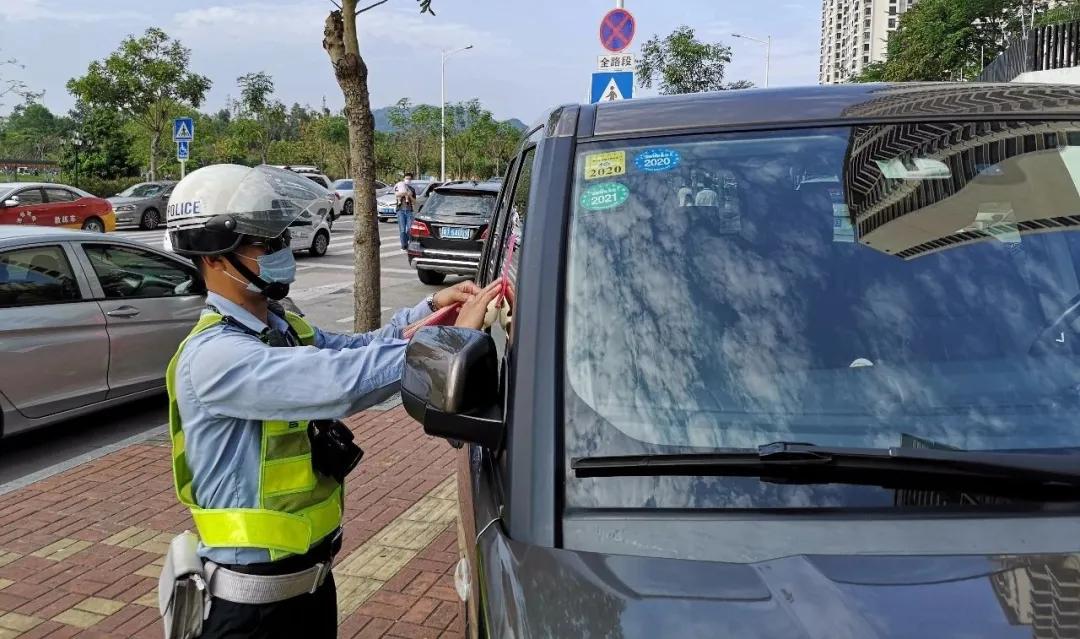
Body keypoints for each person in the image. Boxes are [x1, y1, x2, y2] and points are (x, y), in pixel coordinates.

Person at [163, 164, 499, 638]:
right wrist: (445, 344)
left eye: (281, 237)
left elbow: (359, 348)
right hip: (250, 609)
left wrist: (431, 311)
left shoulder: (282, 329)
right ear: (214, 258)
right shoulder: (216, 358)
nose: (281, 250)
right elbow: (340, 379)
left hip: (311, 587)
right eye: (264, 243)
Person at [393, 172, 417, 250]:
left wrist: (410, 196)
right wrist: (404, 193)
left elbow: (414, 201)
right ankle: (404, 245)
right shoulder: (399, 186)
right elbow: (396, 194)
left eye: (409, 179)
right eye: (407, 178)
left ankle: (408, 243)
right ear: (404, 178)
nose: (408, 180)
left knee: (410, 229)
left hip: (409, 210)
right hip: (400, 210)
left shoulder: (412, 189)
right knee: (402, 230)